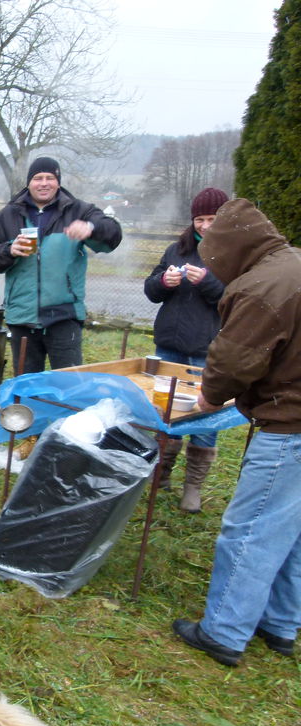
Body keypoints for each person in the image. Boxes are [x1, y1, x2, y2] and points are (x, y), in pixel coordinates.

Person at [172, 197, 301, 667]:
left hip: (289, 426)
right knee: (291, 531)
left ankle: (224, 631)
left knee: (251, 530)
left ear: (230, 248)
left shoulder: (263, 286)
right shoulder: (292, 264)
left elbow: (232, 360)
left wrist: (208, 398)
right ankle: (280, 623)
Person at [0, 157, 123, 373]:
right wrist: (9, 250)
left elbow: (113, 234)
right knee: (27, 385)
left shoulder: (78, 210)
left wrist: (91, 228)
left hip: (64, 316)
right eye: (38, 178)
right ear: (29, 182)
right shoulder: (10, 214)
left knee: (69, 382)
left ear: (58, 182)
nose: (44, 183)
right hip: (22, 316)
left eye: (50, 178)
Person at [143, 188, 228, 513]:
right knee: (165, 410)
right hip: (169, 346)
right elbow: (151, 290)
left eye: (212, 219)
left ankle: (193, 486)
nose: (205, 225)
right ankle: (160, 474)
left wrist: (206, 281)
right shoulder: (176, 250)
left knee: (206, 414)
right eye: (200, 219)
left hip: (208, 350)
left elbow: (233, 300)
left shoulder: (234, 254)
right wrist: (164, 282)